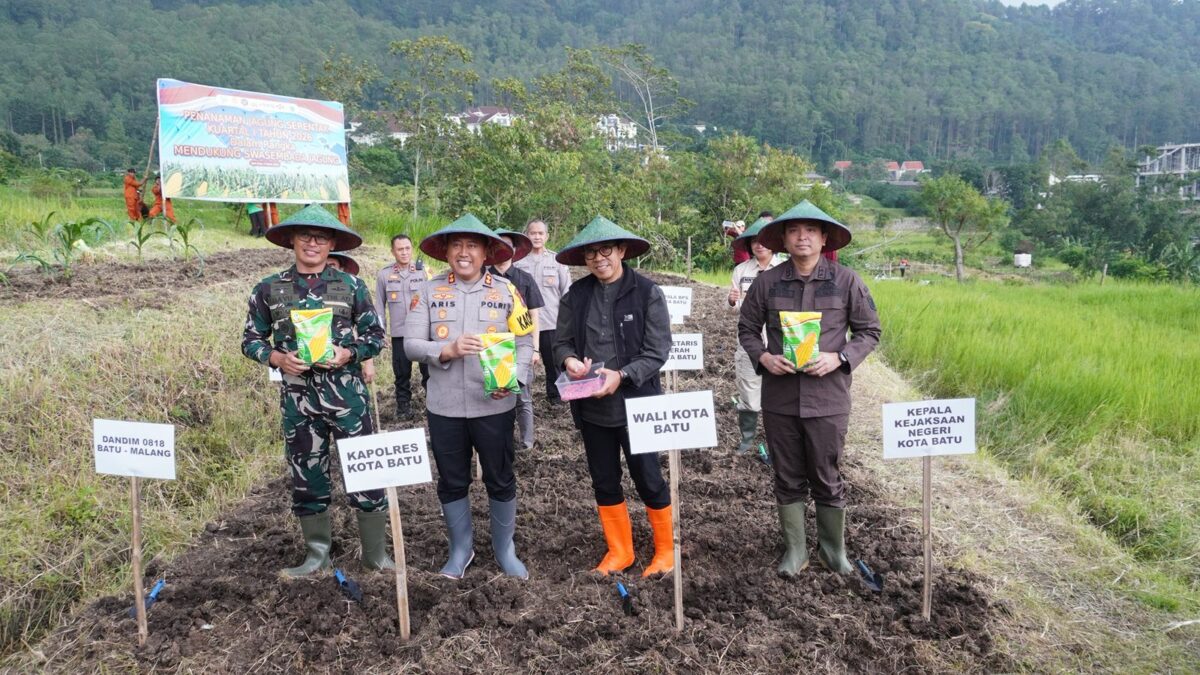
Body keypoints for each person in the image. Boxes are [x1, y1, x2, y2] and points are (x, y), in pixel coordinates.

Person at [241, 205, 391, 577]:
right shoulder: (270, 288)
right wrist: (277, 358)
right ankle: (316, 555)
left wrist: (348, 353)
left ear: (332, 244)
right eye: (305, 236)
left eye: (321, 237)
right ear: (291, 240)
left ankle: (375, 555)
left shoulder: (350, 286)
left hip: (349, 400)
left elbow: (375, 337)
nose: (312, 243)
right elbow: (250, 340)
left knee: (366, 472)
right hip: (299, 402)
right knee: (307, 475)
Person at [737, 200, 881, 578]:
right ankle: (795, 551)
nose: (803, 237)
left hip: (828, 399)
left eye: (811, 231)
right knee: (786, 475)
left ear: (823, 238)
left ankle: (833, 552)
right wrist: (764, 358)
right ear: (783, 239)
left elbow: (869, 332)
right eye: (795, 230)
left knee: (827, 474)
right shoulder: (767, 283)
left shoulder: (846, 281)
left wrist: (840, 358)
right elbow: (747, 330)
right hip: (780, 399)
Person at [405, 214, 536, 580]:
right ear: (446, 252)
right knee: (451, 479)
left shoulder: (507, 290)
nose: (464, 253)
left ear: (486, 253)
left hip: (494, 404)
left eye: (472, 246)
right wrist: (446, 350)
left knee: (500, 475)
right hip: (444, 406)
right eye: (457, 245)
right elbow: (411, 345)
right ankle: (461, 549)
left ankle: (503, 549)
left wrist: (515, 378)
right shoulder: (429, 291)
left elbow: (525, 342)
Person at [553, 216, 674, 577]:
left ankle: (665, 551)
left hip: (638, 404)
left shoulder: (647, 292)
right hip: (592, 405)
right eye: (591, 252)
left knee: (648, 476)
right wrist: (570, 361)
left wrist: (622, 376)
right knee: (603, 479)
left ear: (621, 250)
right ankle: (620, 551)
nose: (599, 258)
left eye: (606, 249)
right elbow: (561, 343)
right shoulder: (576, 295)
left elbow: (657, 352)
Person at [728, 216, 782, 455]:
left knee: (780, 394)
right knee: (748, 391)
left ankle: (778, 442)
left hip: (779, 341)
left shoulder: (784, 268)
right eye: (753, 241)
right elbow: (733, 303)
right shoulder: (741, 270)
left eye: (763, 241)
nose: (758, 245)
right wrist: (731, 301)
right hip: (749, 341)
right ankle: (747, 440)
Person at [488, 228, 545, 451]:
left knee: (523, 398)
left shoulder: (525, 279)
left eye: (508, 246)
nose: (503, 250)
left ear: (514, 250)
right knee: (497, 398)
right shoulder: (484, 277)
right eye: (498, 246)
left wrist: (536, 349)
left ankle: (527, 443)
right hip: (494, 348)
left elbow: (534, 315)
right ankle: (498, 442)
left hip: (522, 346)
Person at [514, 219, 572, 404]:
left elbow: (567, 293)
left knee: (554, 363)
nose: (537, 237)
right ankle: (520, 399)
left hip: (550, 322)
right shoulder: (518, 261)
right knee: (521, 363)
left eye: (540, 233)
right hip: (522, 324)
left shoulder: (557, 261)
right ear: (527, 235)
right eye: (533, 233)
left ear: (546, 236)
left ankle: (556, 398)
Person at [375, 234, 431, 419]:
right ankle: (403, 409)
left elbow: (433, 302)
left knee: (428, 372)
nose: (404, 252)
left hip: (423, 332)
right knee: (401, 374)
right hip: (400, 334)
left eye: (407, 248)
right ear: (393, 251)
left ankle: (432, 406)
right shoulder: (384, 275)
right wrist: (381, 332)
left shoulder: (423, 272)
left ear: (412, 249)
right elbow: (379, 307)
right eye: (400, 249)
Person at [328, 252, 376, 386]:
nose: (327, 270)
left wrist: (368, 363)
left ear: (341, 268)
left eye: (332, 265)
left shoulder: (352, 290)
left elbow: (364, 331)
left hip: (345, 372)